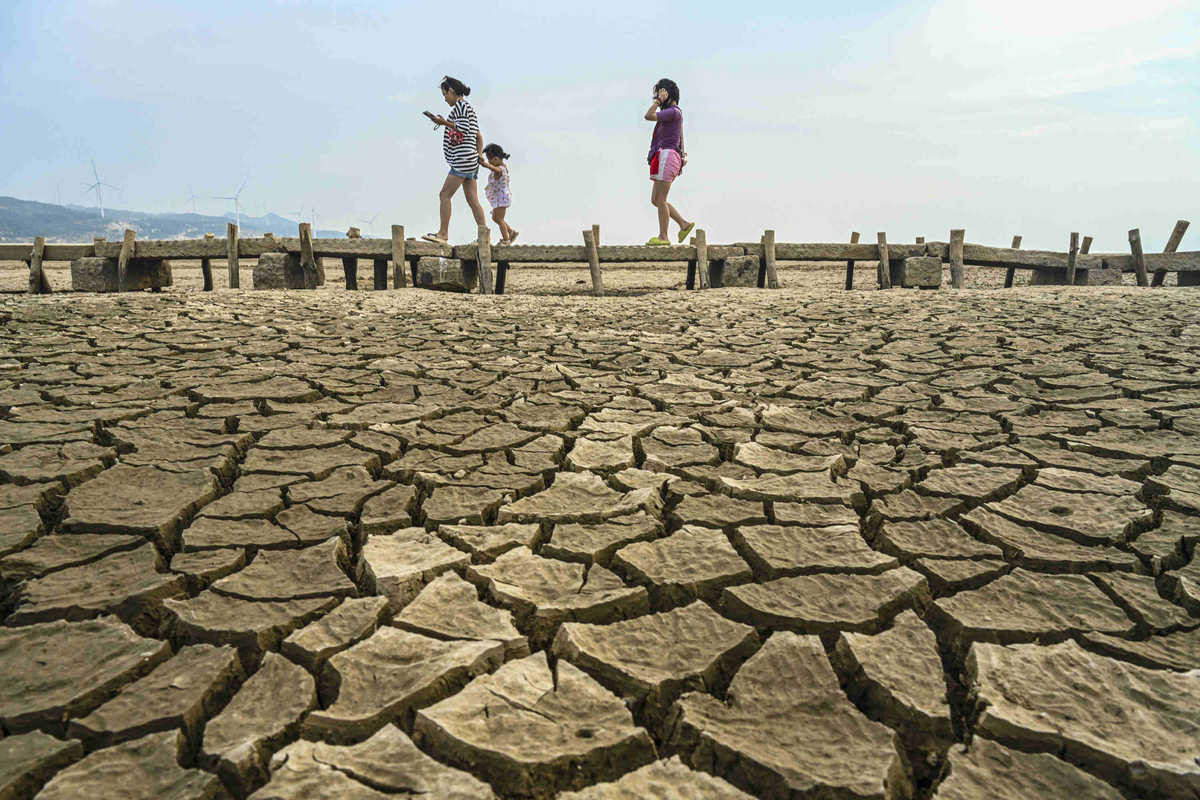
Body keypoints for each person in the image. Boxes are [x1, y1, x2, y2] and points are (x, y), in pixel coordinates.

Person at [423, 76, 487, 244]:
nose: (445, 99)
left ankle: (443, 234)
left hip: (462, 159)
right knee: (473, 200)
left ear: (451, 91)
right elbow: (478, 136)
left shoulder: (461, 106)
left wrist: (443, 122)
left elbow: (463, 128)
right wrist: (479, 154)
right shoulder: (466, 108)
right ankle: (484, 237)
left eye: (445, 94)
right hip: (470, 160)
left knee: (444, 195)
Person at [644, 78, 695, 246]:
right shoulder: (674, 114)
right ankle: (683, 224)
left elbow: (648, 116)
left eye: (661, 93)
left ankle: (663, 237)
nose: (658, 98)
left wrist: (658, 101)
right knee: (656, 199)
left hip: (667, 156)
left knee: (661, 199)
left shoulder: (673, 111)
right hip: (666, 156)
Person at [480, 144, 518, 245]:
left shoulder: (500, 169)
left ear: (496, 159)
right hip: (499, 198)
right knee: (495, 218)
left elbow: (496, 170)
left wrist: (486, 165)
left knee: (499, 219)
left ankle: (506, 240)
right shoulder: (502, 167)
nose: (489, 162)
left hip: (501, 199)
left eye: (490, 160)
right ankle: (511, 232)